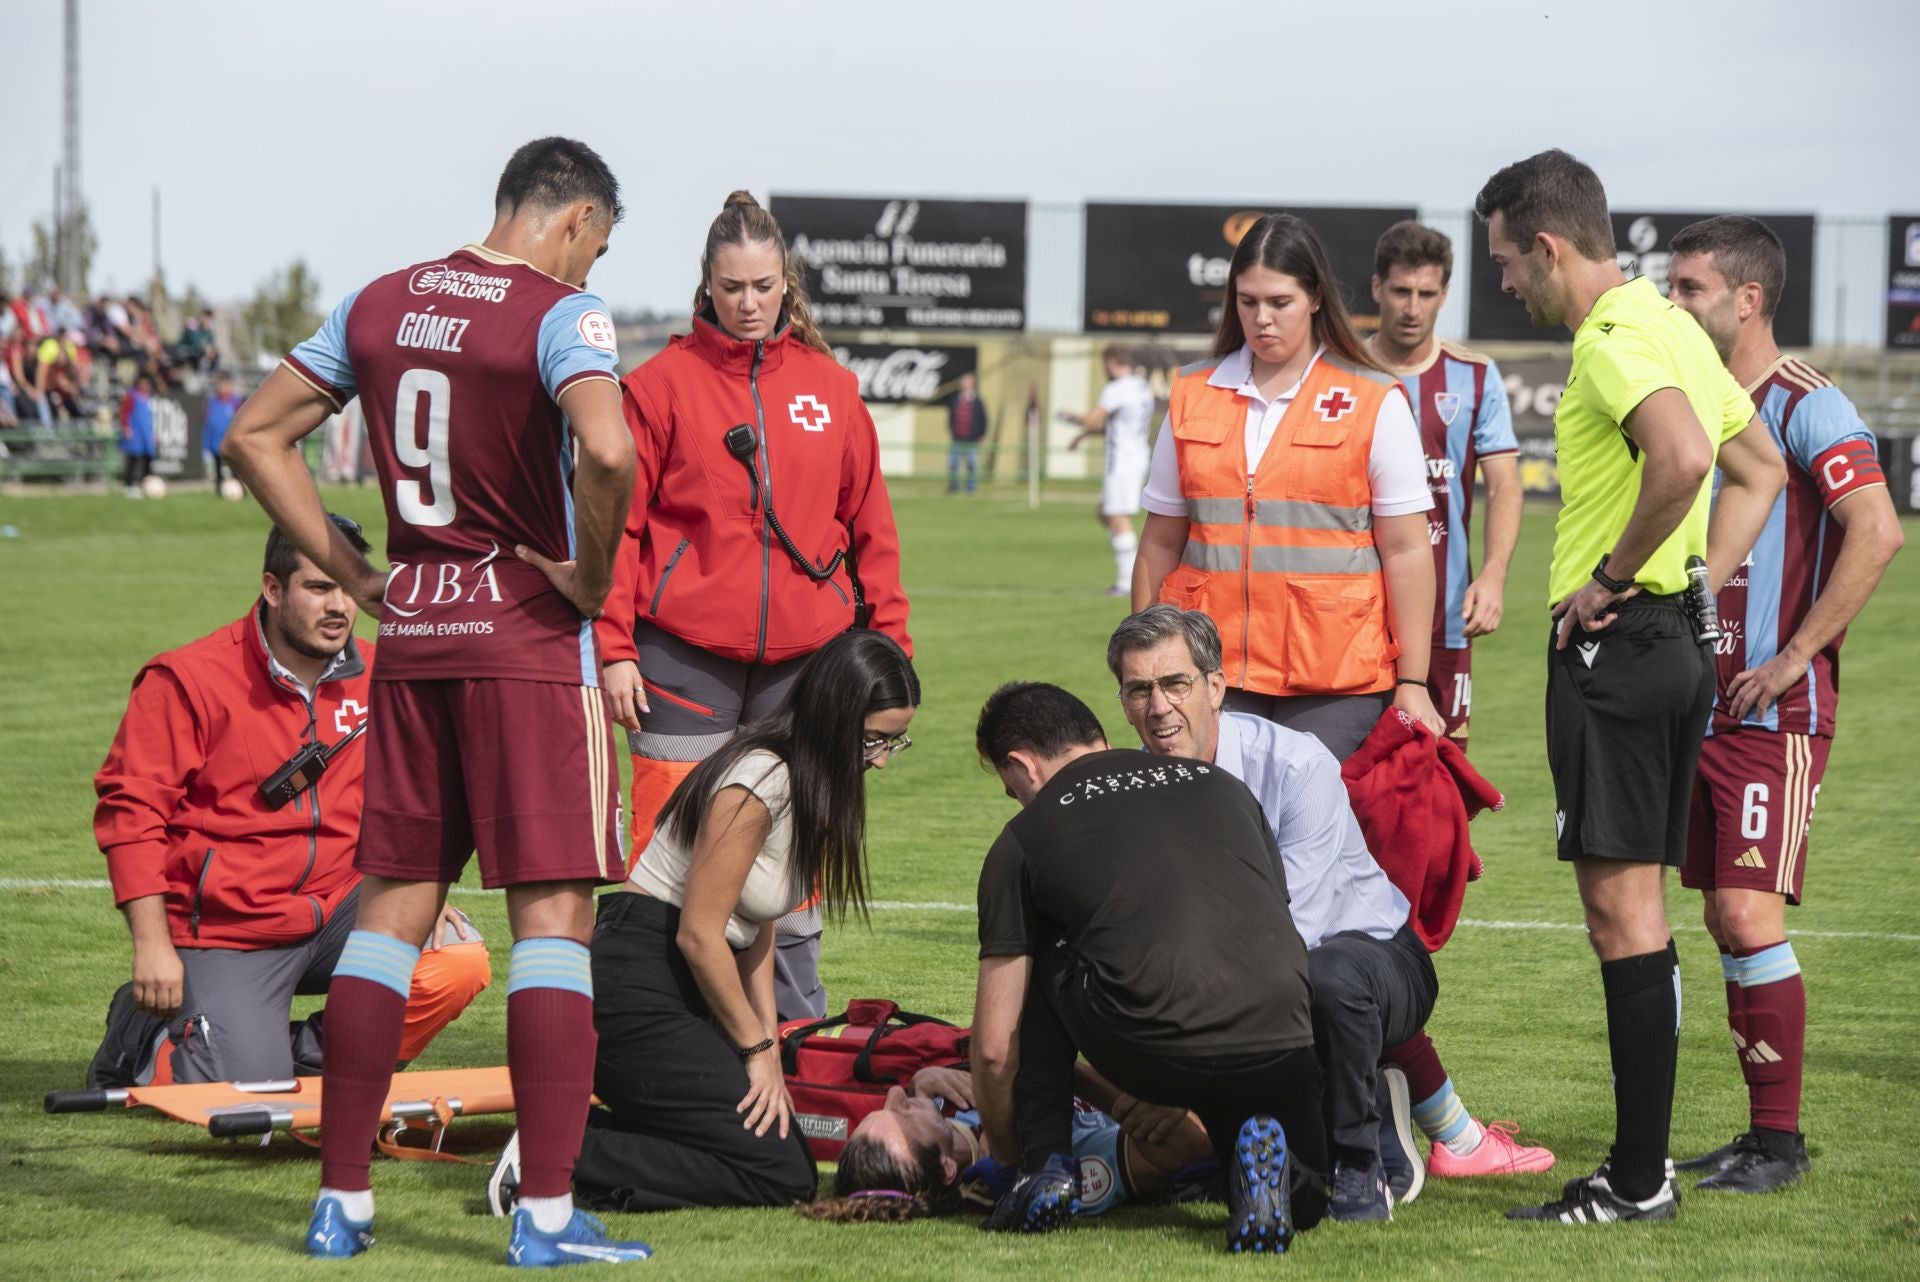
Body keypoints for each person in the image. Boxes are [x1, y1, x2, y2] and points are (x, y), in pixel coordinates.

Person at [222, 136, 651, 1266]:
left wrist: (358, 575)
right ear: (573, 219)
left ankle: (343, 1202)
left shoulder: (377, 299)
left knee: (390, 914)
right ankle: (547, 1219)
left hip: (412, 634)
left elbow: (253, 433)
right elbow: (607, 450)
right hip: (524, 638)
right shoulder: (563, 313)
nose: (590, 267)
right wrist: (595, 582)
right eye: (596, 246)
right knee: (553, 924)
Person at [1473, 148, 1786, 1225]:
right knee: (1639, 911)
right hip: (1670, 643)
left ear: (1552, 247)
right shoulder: (1665, 319)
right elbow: (1760, 471)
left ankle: (1639, 1177)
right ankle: (1641, 1169)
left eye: (1510, 262)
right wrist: (1695, 581)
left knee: (1622, 916)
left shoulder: (1613, 338)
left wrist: (1614, 579)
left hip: (1621, 649)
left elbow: (1689, 459)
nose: (1508, 284)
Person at [1106, 606, 1541, 1220]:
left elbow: (1289, 935)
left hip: (1373, 957)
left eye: (1175, 684)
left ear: (1215, 687)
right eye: (1139, 690)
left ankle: (1363, 1162)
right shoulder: (1135, 791)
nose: (1158, 708)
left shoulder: (1296, 765)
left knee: (1323, 979)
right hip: (1264, 969)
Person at [596, 190, 912, 1025]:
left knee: (795, 848)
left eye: (764, 286)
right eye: (732, 286)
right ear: (706, 282)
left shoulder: (833, 390)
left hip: (807, 666)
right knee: (670, 843)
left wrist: (891, 654)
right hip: (678, 657)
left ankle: (798, 1037)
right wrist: (615, 647)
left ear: (785, 284)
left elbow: (872, 529)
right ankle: (651, 1024)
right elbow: (620, 531)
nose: (748, 304)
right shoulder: (658, 387)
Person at [483, 631, 919, 1217]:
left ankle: (569, 1132)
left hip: (680, 979)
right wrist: (755, 1047)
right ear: (836, 716)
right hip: (637, 974)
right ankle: (556, 1152)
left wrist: (773, 1049)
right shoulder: (761, 778)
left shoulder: (809, 782)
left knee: (782, 1143)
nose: (883, 759)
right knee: (781, 1173)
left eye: (896, 742)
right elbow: (699, 933)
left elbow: (758, 928)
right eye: (874, 740)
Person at [1664, 216, 1903, 1193]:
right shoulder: (1696, 403)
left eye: (1689, 289)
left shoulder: (1805, 400)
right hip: (1698, 707)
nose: (1674, 305)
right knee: (1725, 916)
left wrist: (1798, 653)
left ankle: (1782, 1143)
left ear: (1747, 299)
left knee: (1748, 911)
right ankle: (1761, 1137)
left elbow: (1877, 530)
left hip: (1774, 712)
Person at [89, 515, 490, 1087]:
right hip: (229, 929)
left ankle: (274, 1048)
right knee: (238, 1097)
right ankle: (144, 1028)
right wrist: (152, 947)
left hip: (343, 907)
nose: (339, 607)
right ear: (273, 590)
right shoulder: (185, 679)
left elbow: (422, 795)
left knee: (456, 961)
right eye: (319, 587)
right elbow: (130, 816)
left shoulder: (387, 673)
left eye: (349, 590)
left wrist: (420, 888)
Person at [971, 682, 1328, 1253]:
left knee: (1038, 952)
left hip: (1152, 1039)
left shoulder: (1023, 839)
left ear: (1022, 765)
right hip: (1282, 1032)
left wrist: (1007, 1155)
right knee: (1304, 1195)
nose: (1017, 802)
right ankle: (1281, 1183)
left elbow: (994, 1048)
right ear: (1100, 737)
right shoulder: (1226, 787)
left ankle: (1046, 1167)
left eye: (1012, 790)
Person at [1132, 214, 1443, 760]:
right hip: (1211, 669)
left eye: (1280, 302)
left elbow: (1407, 549)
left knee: (1309, 838)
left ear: (1316, 297)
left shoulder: (1374, 399)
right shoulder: (1191, 393)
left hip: (1336, 680)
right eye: (1247, 301)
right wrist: (1146, 667)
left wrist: (1413, 681)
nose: (1261, 318)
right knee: (1221, 838)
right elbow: (1159, 543)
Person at [1367, 221, 1522, 747]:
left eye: (1426, 294)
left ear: (1444, 295)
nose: (1413, 308)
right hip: (1358, 612)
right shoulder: (1342, 372)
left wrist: (1495, 575)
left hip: (1447, 613)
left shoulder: (1474, 376)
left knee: (1447, 772)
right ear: (1377, 289)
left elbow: (1504, 485)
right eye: (1401, 292)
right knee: (1360, 780)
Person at [798, 1062, 1215, 1223]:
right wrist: (1053, 1063)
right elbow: (1191, 1145)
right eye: (902, 1115)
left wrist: (925, 1078)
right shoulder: (1019, 1172)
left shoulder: (947, 1105)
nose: (895, 1095)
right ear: (946, 1168)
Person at [1060, 345, 1158, 595]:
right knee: (1104, 512)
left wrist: (1071, 417)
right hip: (1136, 455)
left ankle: (1128, 581)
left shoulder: (1117, 388)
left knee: (1117, 517)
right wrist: (1082, 437)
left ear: (1112, 362)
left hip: (1122, 460)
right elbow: (1116, 426)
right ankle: (1130, 566)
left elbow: (1093, 418)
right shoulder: (1140, 386)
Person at [946, 370, 987, 494]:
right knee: (953, 464)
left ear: (973, 383)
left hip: (972, 439)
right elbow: (951, 418)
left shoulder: (978, 401)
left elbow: (983, 419)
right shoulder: (955, 399)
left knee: (972, 465)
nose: (965, 383)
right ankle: (953, 487)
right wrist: (952, 431)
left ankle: (971, 488)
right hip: (957, 438)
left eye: (968, 381)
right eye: (964, 381)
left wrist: (981, 434)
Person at [202, 372, 243, 491]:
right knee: (218, 469)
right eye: (220, 385)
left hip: (231, 444)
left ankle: (239, 489)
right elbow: (208, 424)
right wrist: (206, 446)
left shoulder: (236, 402)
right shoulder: (212, 403)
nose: (222, 388)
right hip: (216, 444)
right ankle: (219, 490)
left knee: (234, 468)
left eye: (225, 385)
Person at [120, 373, 157, 496]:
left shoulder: (148, 398)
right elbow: (124, 412)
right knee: (133, 459)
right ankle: (129, 485)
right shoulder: (131, 396)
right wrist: (126, 428)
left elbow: (149, 418)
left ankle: (146, 484)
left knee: (147, 459)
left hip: (146, 433)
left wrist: (153, 433)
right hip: (135, 433)